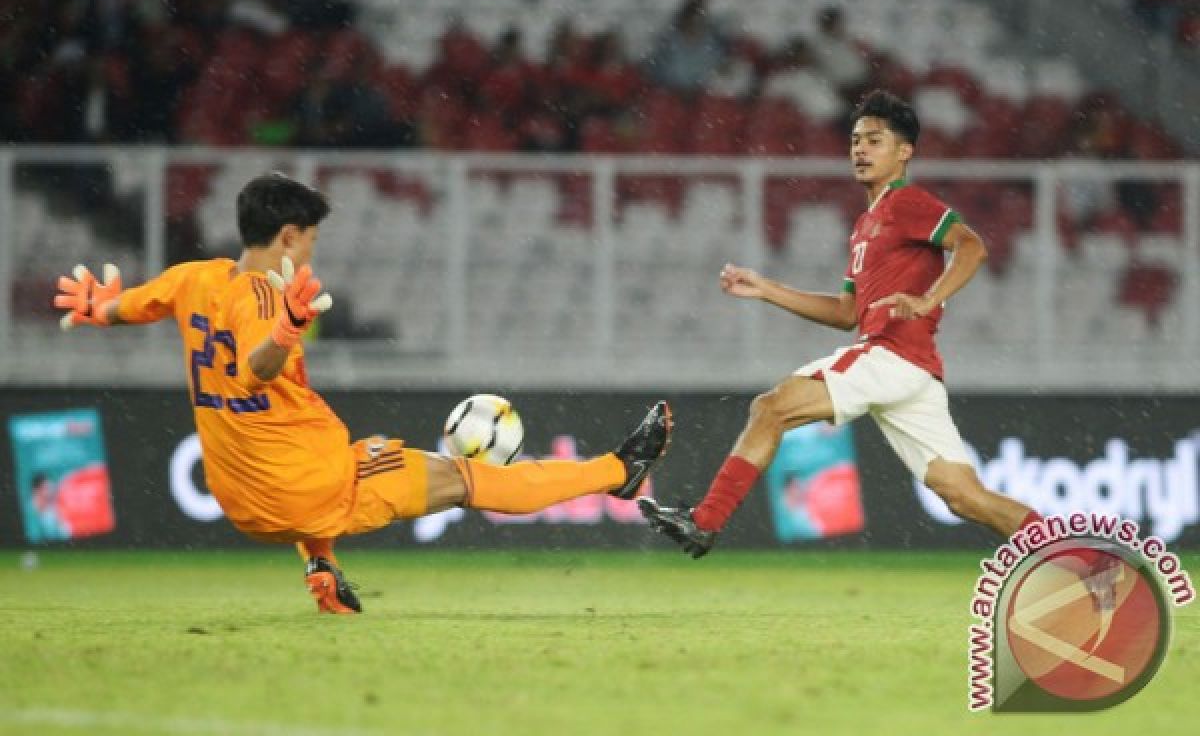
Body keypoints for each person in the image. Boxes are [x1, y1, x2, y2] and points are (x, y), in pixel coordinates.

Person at [54, 172, 673, 613]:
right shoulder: (268, 299)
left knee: (344, 451)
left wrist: (99, 307)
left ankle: (320, 566)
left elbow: (129, 307)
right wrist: (285, 332)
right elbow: (256, 370)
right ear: (290, 236)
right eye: (312, 238)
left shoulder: (192, 278)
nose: (312, 249)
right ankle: (616, 471)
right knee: (463, 478)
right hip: (312, 489)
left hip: (239, 499)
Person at [638, 90, 1044, 558]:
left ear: (904, 152)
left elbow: (971, 245)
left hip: (892, 355)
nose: (860, 150)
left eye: (874, 140)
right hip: (913, 371)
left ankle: (705, 521)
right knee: (964, 496)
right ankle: (1089, 560)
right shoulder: (867, 224)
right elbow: (845, 313)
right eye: (855, 141)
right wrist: (768, 290)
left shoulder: (907, 203)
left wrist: (928, 299)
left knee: (772, 407)